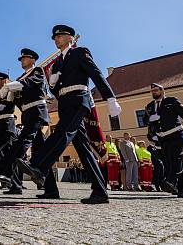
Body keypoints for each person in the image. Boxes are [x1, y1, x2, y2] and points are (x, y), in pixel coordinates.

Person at [17, 25, 122, 204]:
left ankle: (38, 165)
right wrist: (53, 83)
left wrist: (110, 98)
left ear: (70, 38)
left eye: (59, 36)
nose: (56, 39)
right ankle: (100, 191)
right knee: (83, 149)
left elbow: (96, 74)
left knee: (62, 132)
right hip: (65, 103)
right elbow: (55, 90)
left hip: (79, 100)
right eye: (55, 37)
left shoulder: (80, 52)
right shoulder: (58, 62)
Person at [0, 48, 56, 197]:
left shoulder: (37, 72)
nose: (22, 61)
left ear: (32, 60)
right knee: (40, 151)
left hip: (37, 112)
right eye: (21, 59)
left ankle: (6, 174)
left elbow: (29, 83)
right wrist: (7, 95)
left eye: (25, 58)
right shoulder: (21, 77)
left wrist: (11, 86)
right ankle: (51, 189)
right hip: (28, 115)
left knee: (21, 143)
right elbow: (17, 99)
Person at [144, 83, 183, 198]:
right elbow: (146, 120)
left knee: (176, 158)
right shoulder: (150, 106)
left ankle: (170, 181)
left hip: (176, 134)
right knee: (171, 162)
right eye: (152, 91)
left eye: (156, 90)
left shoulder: (172, 101)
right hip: (163, 138)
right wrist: (150, 120)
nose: (154, 92)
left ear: (162, 90)